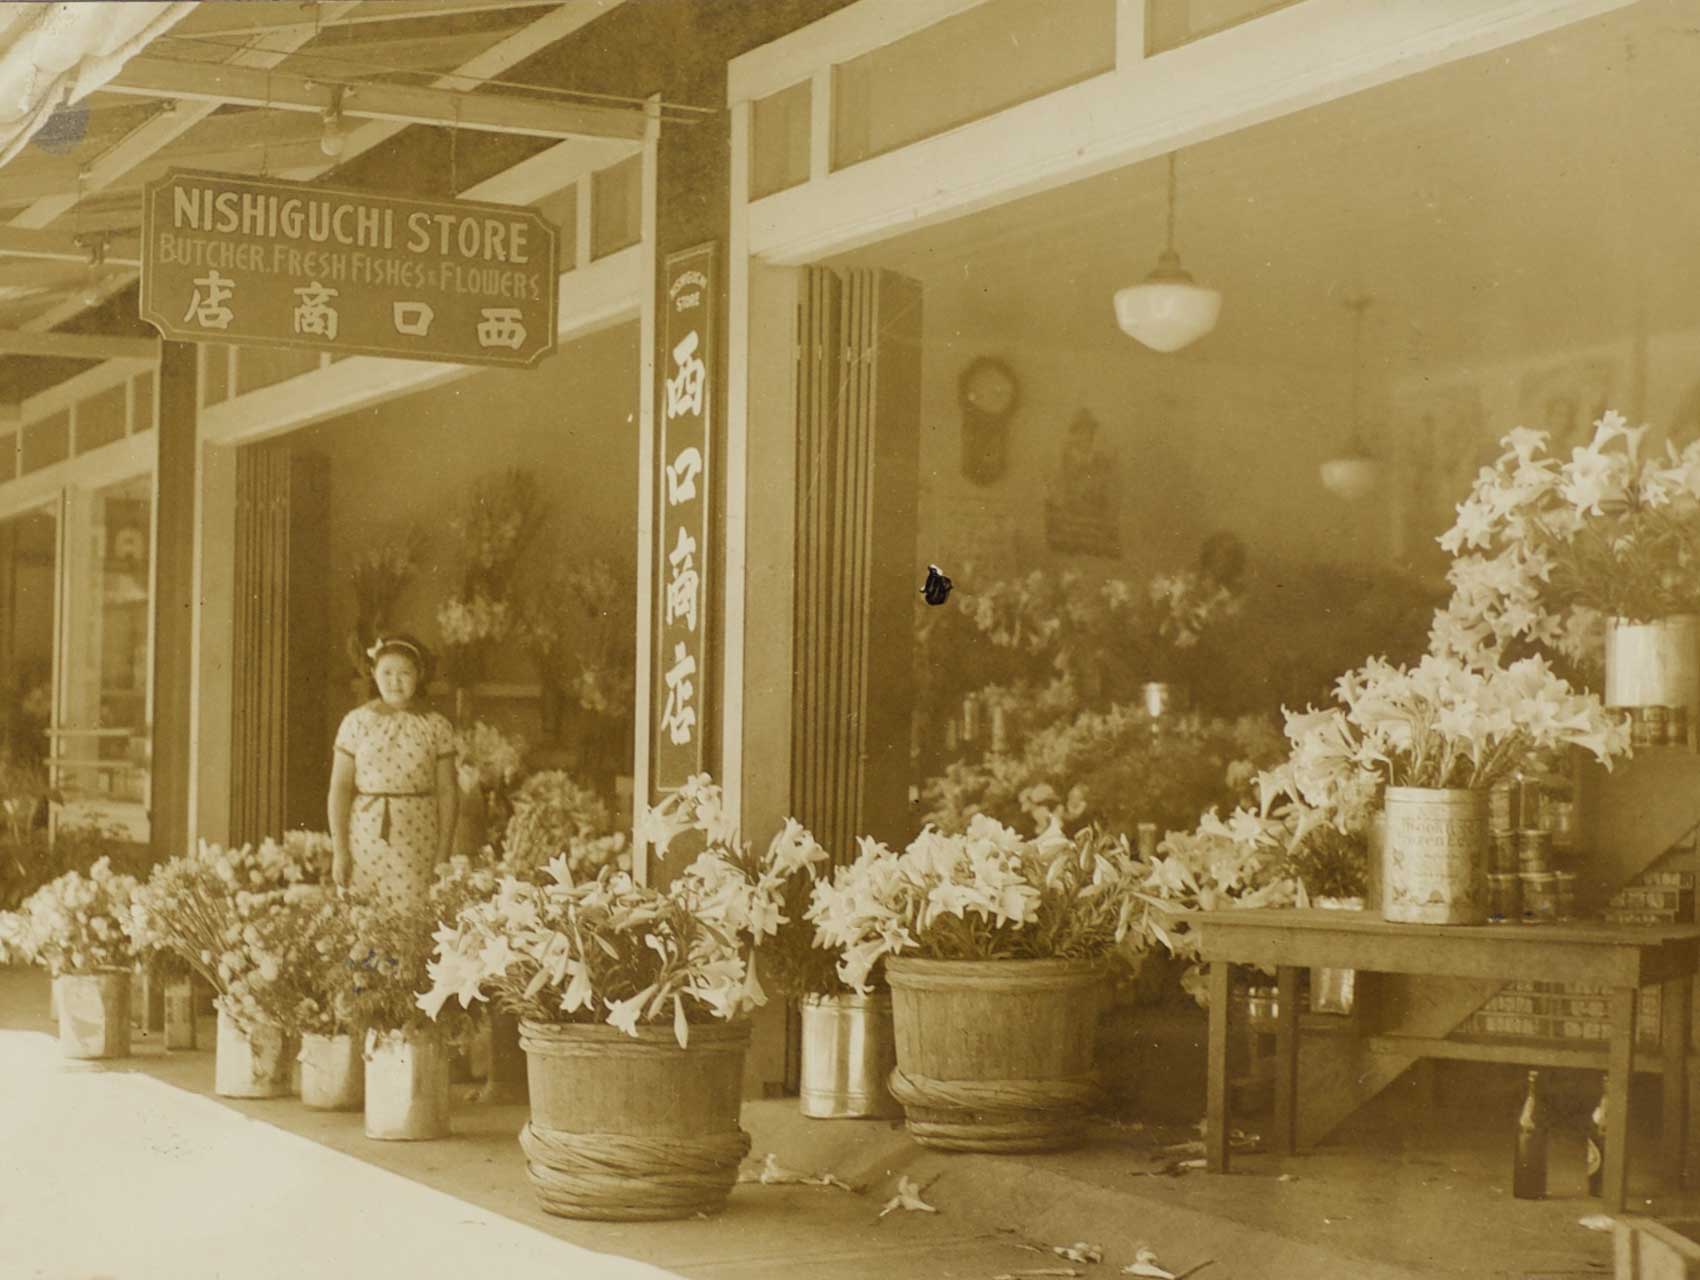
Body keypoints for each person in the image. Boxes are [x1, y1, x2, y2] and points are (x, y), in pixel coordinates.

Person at [327, 634, 458, 912]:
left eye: (404, 673)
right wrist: (340, 851)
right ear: (373, 673)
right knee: (364, 918)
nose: (395, 681)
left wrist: (443, 853)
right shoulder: (356, 722)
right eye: (387, 672)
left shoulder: (436, 726)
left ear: (419, 675)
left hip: (418, 836)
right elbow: (339, 787)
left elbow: (447, 791)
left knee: (413, 917)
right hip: (365, 834)